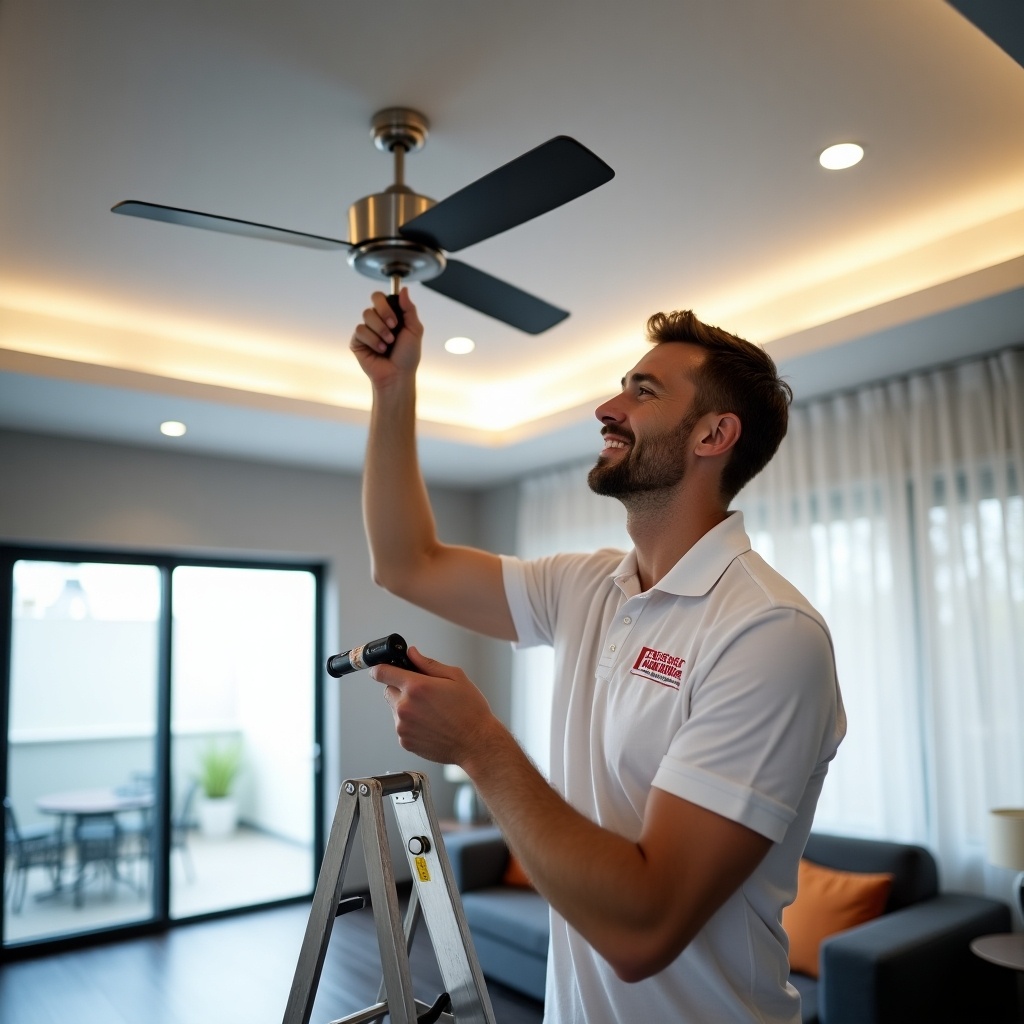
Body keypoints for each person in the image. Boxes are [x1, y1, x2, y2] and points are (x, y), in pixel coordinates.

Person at [349, 288, 845, 1024]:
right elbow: (407, 561)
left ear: (714, 435)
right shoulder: (587, 586)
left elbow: (644, 929)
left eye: (641, 392)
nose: (605, 409)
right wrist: (394, 389)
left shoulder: (769, 634)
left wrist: (479, 744)